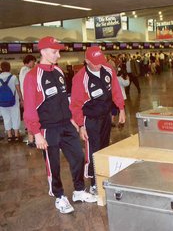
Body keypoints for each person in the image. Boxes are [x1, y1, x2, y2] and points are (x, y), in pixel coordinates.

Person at [23, 36, 96, 214]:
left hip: (66, 125)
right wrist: (36, 133)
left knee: (78, 157)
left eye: (58, 52)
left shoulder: (58, 72)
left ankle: (79, 191)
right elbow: (30, 107)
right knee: (53, 165)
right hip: (48, 129)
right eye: (55, 52)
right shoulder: (32, 77)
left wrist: (76, 122)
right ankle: (59, 196)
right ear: (43, 52)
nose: (58, 55)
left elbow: (66, 100)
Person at [70, 46, 126, 195]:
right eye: (95, 62)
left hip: (106, 117)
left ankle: (102, 177)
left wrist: (121, 109)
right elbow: (75, 105)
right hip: (90, 120)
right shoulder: (80, 78)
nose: (99, 64)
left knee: (104, 148)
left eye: (101, 60)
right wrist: (81, 125)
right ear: (87, 61)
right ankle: (94, 183)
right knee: (93, 152)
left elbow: (115, 90)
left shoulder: (108, 70)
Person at [0, 61, 22, 142]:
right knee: (15, 117)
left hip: (2, 102)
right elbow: (18, 90)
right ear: (9, 67)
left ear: (1, 68)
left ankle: (9, 136)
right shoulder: (14, 77)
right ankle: (16, 135)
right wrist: (21, 100)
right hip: (14, 102)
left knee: (6, 118)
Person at [19, 54, 37, 147]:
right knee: (32, 118)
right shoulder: (27, 71)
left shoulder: (22, 70)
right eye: (33, 62)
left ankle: (31, 139)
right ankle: (31, 139)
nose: (34, 64)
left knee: (29, 118)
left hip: (27, 99)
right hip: (30, 98)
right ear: (29, 61)